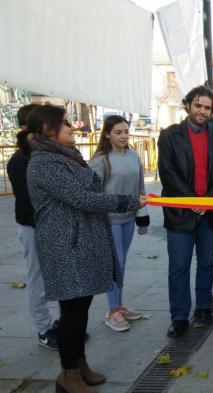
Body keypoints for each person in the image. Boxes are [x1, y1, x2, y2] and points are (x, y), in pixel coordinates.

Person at [25, 105, 146, 393]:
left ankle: (79, 365)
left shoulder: (66, 157)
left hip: (82, 242)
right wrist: (127, 202)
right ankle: (68, 376)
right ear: (48, 130)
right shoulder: (44, 163)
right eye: (64, 124)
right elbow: (81, 198)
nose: (71, 128)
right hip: (65, 245)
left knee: (81, 309)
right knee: (72, 313)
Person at [157, 85, 213, 338]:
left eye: (207, 107)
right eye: (198, 105)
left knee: (207, 264)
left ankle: (203, 307)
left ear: (212, 111)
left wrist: (208, 200)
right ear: (188, 105)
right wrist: (192, 200)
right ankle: (179, 316)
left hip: (209, 213)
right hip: (181, 213)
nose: (202, 111)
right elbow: (167, 173)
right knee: (179, 267)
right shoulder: (169, 136)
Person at [88, 115, 150, 332]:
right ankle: (112, 311)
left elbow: (140, 188)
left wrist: (143, 216)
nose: (124, 136)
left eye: (126, 131)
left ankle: (119, 304)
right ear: (107, 134)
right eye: (118, 132)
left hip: (128, 219)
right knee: (116, 264)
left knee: (121, 265)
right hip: (108, 221)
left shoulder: (133, 156)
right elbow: (92, 195)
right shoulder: (100, 160)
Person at [7, 103, 60, 350]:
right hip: (33, 227)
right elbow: (31, 201)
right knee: (37, 279)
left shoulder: (50, 154)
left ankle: (62, 324)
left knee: (60, 278)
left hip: (54, 226)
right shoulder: (21, 160)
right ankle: (43, 327)